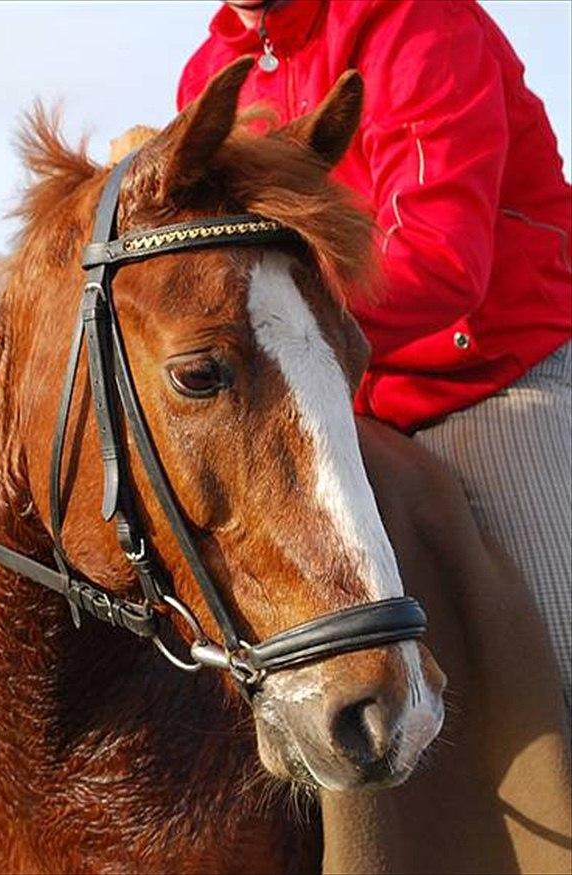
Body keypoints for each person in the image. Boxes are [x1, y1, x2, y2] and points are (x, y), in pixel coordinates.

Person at [177, 0, 572, 711]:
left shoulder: (418, 22)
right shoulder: (210, 73)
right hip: (335, 394)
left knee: (557, 633)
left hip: (496, 371)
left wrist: (272, 334)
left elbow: (440, 257)